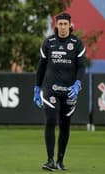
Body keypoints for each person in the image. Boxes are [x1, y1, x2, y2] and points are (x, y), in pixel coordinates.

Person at [33, 12, 86, 171]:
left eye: (65, 24)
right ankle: (49, 160)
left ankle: (60, 161)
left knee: (65, 125)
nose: (62, 27)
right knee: (50, 121)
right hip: (51, 90)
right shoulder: (48, 42)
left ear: (70, 25)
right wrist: (37, 88)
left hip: (69, 92)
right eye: (60, 24)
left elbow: (82, 66)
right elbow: (41, 67)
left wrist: (77, 83)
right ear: (56, 25)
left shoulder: (77, 43)